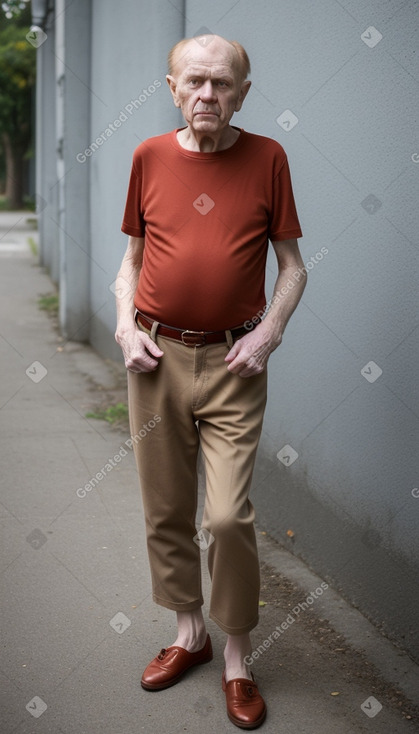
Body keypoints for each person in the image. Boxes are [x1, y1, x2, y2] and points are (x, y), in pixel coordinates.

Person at [115, 32, 306, 730]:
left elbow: (292, 268)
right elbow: (129, 263)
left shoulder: (268, 159)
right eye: (193, 83)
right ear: (171, 89)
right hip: (156, 361)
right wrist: (122, 325)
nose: (207, 95)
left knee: (225, 516)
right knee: (165, 508)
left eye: (221, 84)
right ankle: (188, 634)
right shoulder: (148, 158)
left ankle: (236, 655)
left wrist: (268, 333)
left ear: (242, 93)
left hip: (231, 364)